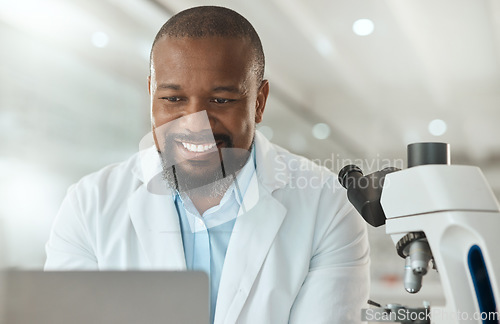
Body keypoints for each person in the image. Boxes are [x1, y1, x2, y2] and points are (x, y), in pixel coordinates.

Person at [45, 6, 370, 324]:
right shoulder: (89, 204)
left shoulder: (327, 205)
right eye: (173, 99)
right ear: (150, 95)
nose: (195, 123)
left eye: (222, 100)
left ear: (259, 102)